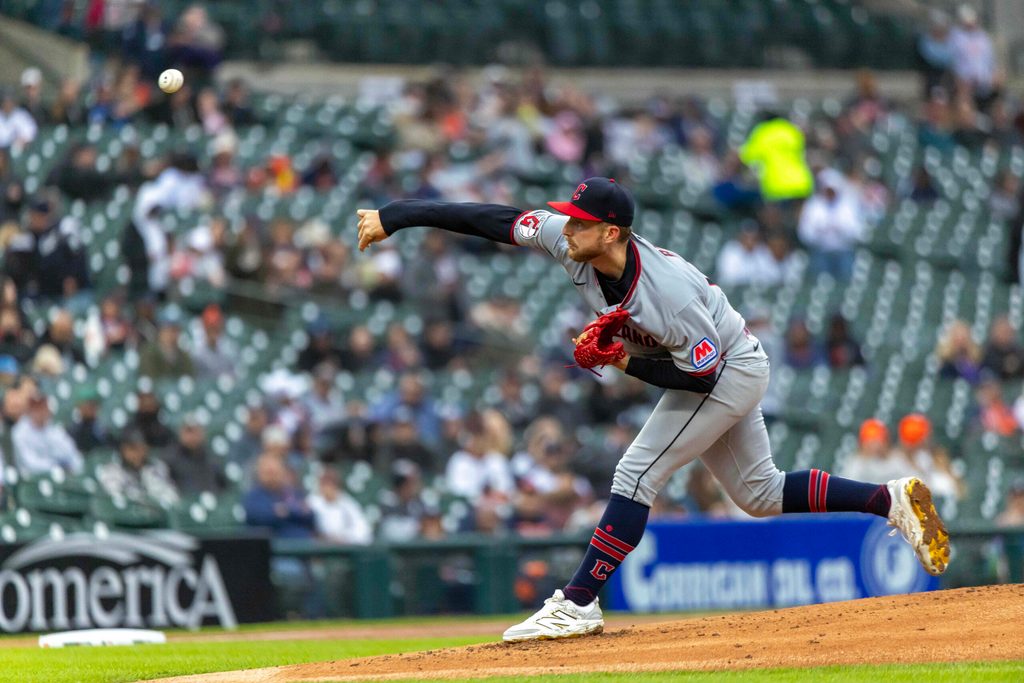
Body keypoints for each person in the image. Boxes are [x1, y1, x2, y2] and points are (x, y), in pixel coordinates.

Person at [356, 176, 950, 642]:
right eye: (571, 214)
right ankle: (887, 499)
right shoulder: (567, 239)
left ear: (612, 232)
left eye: (583, 221)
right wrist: (396, 216)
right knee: (759, 494)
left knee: (637, 472)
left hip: (728, 367)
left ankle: (578, 602)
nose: (568, 225)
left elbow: (702, 375)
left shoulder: (663, 293)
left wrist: (621, 364)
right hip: (720, 364)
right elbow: (493, 220)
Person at [12, 391, 83, 476]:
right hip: (31, 479)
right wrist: (55, 467)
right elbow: (29, 463)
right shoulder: (20, 432)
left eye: (42, 407)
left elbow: (73, 455)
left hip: (56, 475)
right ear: (29, 411)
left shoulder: (53, 430)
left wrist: (74, 468)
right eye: (36, 408)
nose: (40, 412)